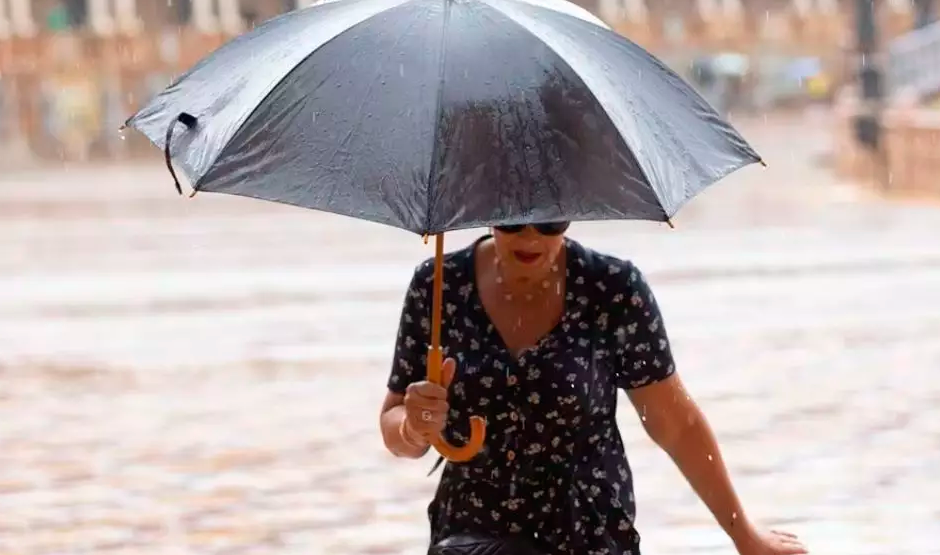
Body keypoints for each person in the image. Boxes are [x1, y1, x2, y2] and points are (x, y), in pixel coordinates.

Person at [380, 224, 808, 555]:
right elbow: (396, 424)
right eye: (513, 219)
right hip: (470, 533)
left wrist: (743, 533)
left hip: (588, 532)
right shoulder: (438, 286)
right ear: (489, 209)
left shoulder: (613, 289)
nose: (530, 235)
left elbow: (674, 424)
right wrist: (415, 428)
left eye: (549, 220)